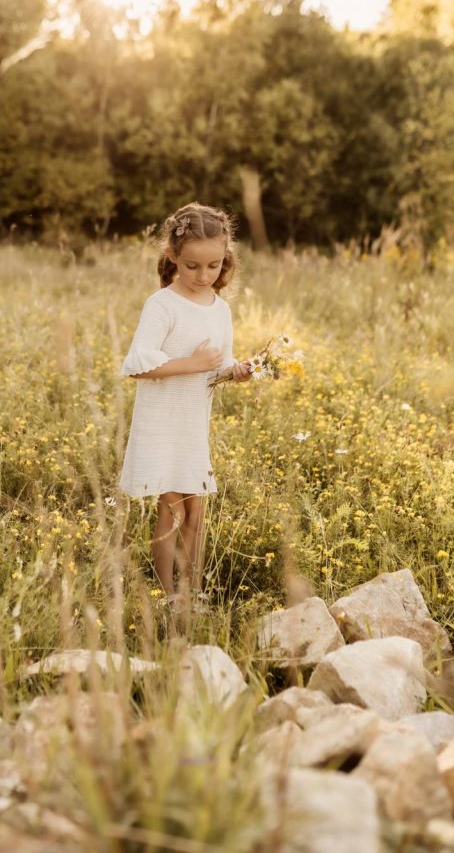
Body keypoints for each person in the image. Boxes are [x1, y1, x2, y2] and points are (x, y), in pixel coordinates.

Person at [119, 202, 251, 612]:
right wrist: (192, 364)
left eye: (214, 265)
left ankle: (190, 591)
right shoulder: (162, 305)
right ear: (173, 256)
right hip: (162, 422)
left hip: (193, 423)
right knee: (172, 510)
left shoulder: (220, 309)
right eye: (193, 266)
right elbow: (138, 366)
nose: (204, 275)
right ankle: (166, 595)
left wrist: (238, 371)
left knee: (197, 511)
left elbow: (218, 362)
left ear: (225, 259)